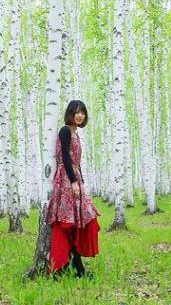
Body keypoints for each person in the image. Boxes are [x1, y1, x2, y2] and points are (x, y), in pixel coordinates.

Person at [45, 100, 100, 278]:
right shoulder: (65, 131)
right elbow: (66, 159)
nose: (80, 115)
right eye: (77, 112)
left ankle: (77, 267)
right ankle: (69, 267)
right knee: (68, 223)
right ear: (70, 113)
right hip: (67, 180)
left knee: (82, 220)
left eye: (83, 112)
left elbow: (75, 162)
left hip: (75, 178)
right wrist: (74, 182)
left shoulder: (76, 133)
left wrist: (79, 180)